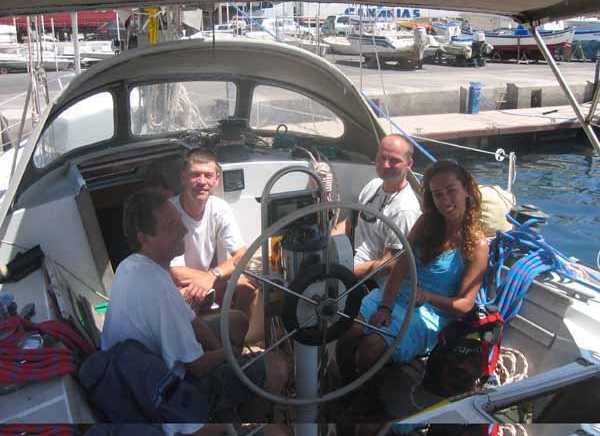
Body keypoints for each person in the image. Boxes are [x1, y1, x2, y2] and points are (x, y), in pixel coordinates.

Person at [101, 188, 289, 422]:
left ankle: (231, 401)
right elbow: (197, 367)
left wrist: (223, 352)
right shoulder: (155, 287)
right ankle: (245, 423)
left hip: (141, 375)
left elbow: (192, 321)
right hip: (167, 395)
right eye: (173, 226)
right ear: (144, 238)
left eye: (180, 221)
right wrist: (229, 354)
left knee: (237, 321)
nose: (184, 230)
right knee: (276, 367)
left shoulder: (133, 266)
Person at [337, 160, 489, 381]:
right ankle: (343, 388)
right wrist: (385, 307)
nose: (445, 200)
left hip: (430, 315)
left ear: (466, 189)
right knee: (348, 331)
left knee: (370, 349)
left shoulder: (477, 246)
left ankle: (365, 397)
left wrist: (428, 297)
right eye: (438, 194)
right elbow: (401, 266)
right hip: (393, 297)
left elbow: (465, 305)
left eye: (451, 191)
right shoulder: (426, 223)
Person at [169, 148, 257, 317]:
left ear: (216, 180)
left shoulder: (219, 208)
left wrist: (212, 276)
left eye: (208, 175)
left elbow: (242, 256)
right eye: (195, 175)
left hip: (208, 279)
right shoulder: (169, 212)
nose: (202, 181)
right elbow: (176, 273)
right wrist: (212, 280)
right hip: (177, 286)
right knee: (187, 296)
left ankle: (233, 332)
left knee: (246, 287)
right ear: (183, 178)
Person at [333, 134, 421, 287]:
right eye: (382, 158)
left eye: (394, 160)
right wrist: (324, 244)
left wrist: (343, 271)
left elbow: (389, 265)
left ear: (409, 164)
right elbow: (349, 223)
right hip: (346, 261)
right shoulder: (373, 185)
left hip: (370, 283)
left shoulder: (405, 210)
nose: (385, 165)